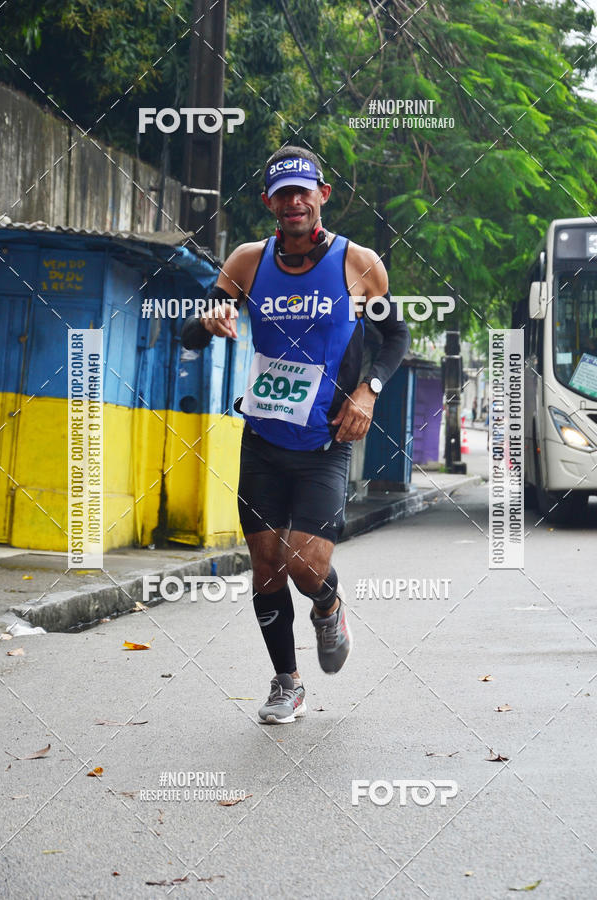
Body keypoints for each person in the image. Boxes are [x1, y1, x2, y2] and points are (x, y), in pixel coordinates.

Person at [181, 146, 410, 724]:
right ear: (269, 203)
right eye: (283, 193)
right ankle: (287, 682)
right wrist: (208, 322)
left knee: (305, 566)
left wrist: (369, 390)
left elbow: (395, 339)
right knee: (265, 567)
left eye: (304, 191)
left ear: (323, 197)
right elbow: (192, 333)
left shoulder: (360, 265)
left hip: (324, 444)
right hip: (261, 439)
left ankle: (328, 605)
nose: (295, 202)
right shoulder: (248, 262)